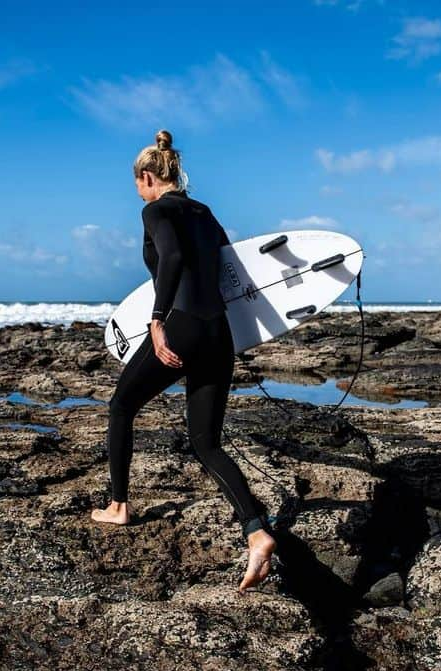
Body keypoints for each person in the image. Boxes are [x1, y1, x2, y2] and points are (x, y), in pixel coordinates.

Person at [90, 129, 277, 593]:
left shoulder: (155, 210)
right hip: (219, 332)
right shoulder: (205, 212)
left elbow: (171, 259)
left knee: (121, 407)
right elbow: (229, 266)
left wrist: (157, 322)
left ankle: (118, 505)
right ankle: (255, 530)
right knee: (205, 442)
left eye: (137, 183)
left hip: (183, 326)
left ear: (149, 177)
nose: (137, 191)